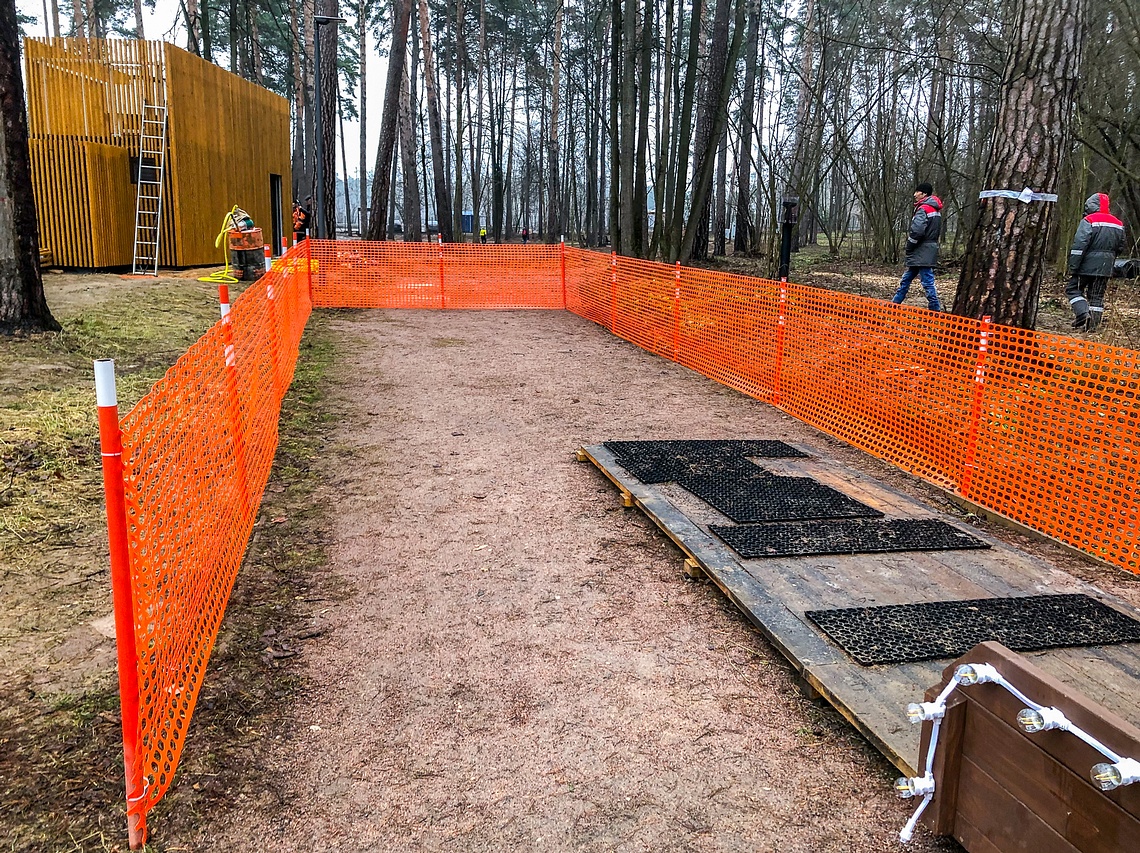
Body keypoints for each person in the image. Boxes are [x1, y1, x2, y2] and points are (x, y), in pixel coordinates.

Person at [1067, 193, 1125, 332]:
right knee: (1097, 296)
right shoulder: (1118, 223)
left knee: (1073, 290)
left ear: (1091, 205)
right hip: (1106, 268)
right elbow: (1121, 246)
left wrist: (1073, 266)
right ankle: (1092, 327)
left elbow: (1079, 245)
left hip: (1086, 266)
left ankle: (1082, 314)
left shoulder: (1089, 220)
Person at [891, 182, 943, 311]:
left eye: (917, 192)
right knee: (907, 278)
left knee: (927, 280)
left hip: (921, 249)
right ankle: (895, 303)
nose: (915, 195)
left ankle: (935, 309)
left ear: (924, 194)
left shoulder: (923, 208)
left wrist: (910, 245)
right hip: (927, 248)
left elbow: (917, 230)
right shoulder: (935, 209)